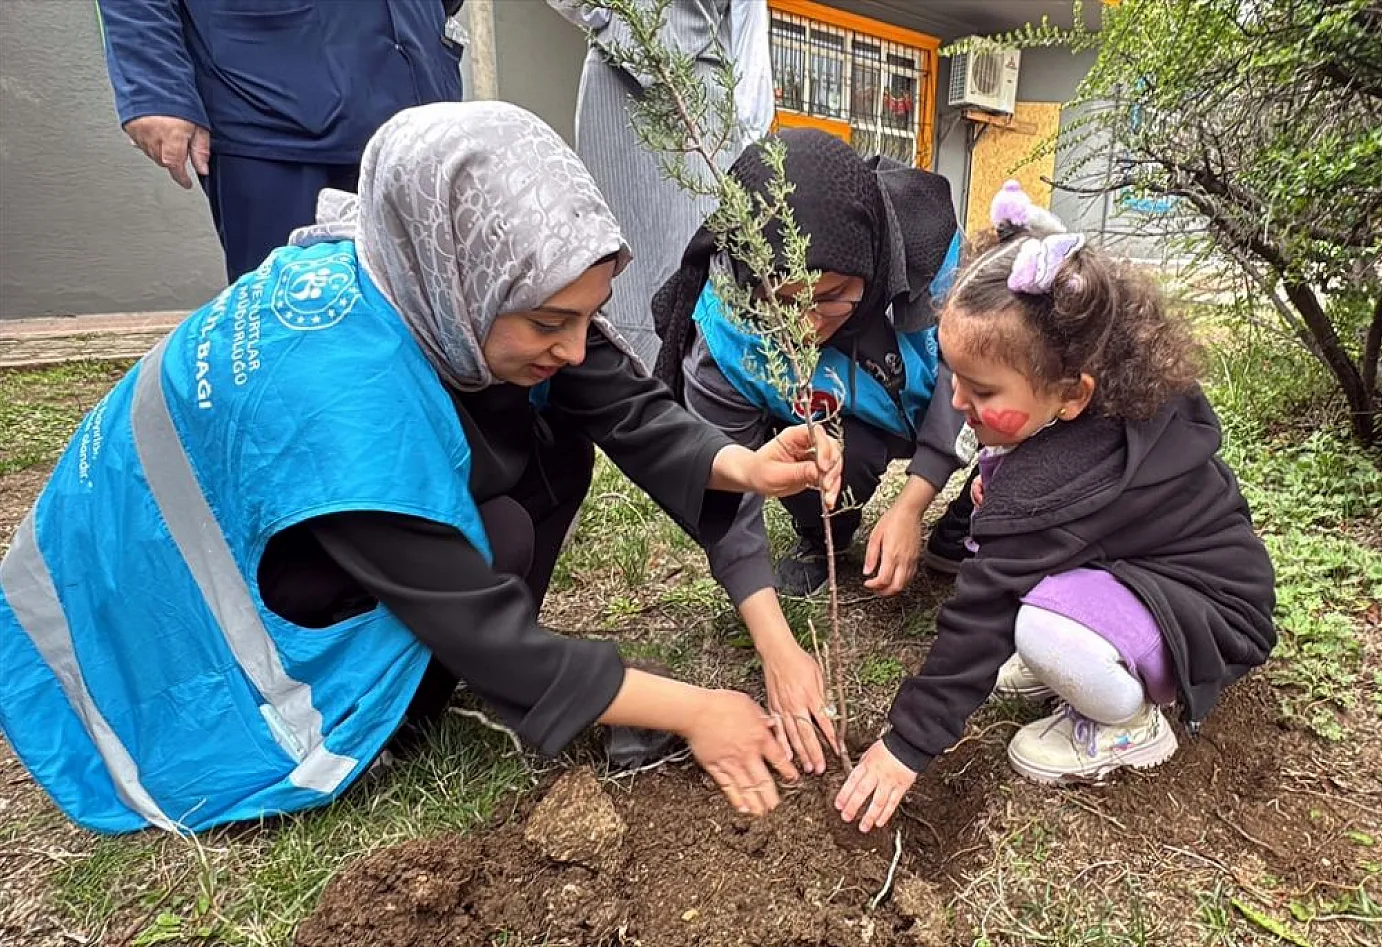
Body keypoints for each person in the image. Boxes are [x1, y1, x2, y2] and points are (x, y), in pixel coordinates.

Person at [0, 102, 840, 835]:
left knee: (548, 450)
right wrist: (699, 710)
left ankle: (438, 687)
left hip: (236, 546)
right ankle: (396, 724)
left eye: (589, 314)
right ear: (463, 276)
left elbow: (622, 404)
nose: (576, 345)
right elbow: (483, 626)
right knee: (496, 531)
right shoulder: (337, 403)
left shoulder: (423, 266)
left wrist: (746, 466)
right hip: (140, 647)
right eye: (552, 320)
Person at [834, 183, 1278, 832]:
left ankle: (1127, 722)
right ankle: (1094, 654)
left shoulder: (1058, 479)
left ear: (1072, 395)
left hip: (1211, 616)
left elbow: (980, 615)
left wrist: (907, 744)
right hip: (1164, 577)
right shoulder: (1102, 393)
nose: (957, 401)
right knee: (1034, 608)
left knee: (1036, 624)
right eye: (954, 378)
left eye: (981, 389)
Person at [650, 129, 973, 775]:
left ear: (870, 263)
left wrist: (915, 500)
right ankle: (824, 532)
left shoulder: (927, 249)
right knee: (817, 460)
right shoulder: (725, 333)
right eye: (783, 303)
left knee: (1015, 409)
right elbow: (728, 485)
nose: (805, 325)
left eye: (830, 297)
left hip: (936, 397)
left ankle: (965, 520)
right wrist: (775, 643)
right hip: (844, 412)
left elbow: (961, 378)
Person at [96, 0, 466, 281]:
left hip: (415, 103)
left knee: (428, 315)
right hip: (268, 102)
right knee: (294, 315)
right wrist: (155, 90)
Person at [551, 0, 775, 367]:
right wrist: (607, 18)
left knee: (699, 261)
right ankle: (618, 390)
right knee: (612, 259)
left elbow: (747, 16)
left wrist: (746, 133)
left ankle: (690, 394)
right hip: (615, 84)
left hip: (705, 96)